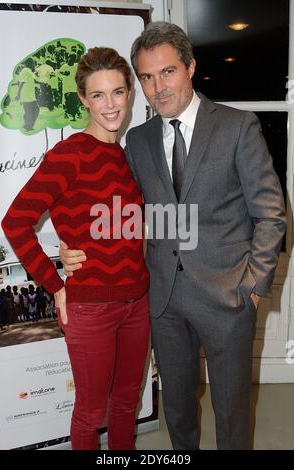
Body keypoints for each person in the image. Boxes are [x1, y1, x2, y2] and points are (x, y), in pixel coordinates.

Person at [60, 23, 286, 450]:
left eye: (167, 72)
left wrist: (254, 286)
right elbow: (119, 213)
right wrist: (70, 245)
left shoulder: (237, 127)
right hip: (162, 300)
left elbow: (272, 214)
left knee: (232, 410)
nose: (158, 87)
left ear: (191, 68)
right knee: (178, 411)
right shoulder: (137, 141)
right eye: (146, 77)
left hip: (229, 297)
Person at [1, 47, 150, 450]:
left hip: (137, 303)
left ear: (129, 92)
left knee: (124, 404)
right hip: (90, 309)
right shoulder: (68, 155)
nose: (110, 105)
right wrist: (56, 284)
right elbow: (15, 222)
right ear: (83, 99)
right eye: (98, 95)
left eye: (118, 92)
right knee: (89, 413)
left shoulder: (126, 154)